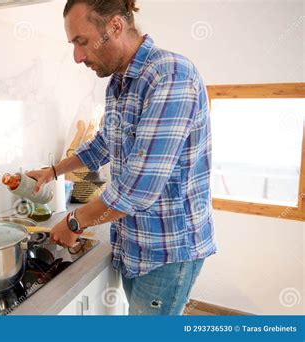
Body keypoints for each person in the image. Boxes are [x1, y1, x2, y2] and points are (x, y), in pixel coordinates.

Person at [27, 0, 217, 315]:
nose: (77, 57)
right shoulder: (118, 83)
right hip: (133, 241)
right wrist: (52, 171)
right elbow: (104, 144)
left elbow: (138, 188)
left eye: (81, 41)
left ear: (115, 26)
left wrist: (74, 221)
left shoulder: (171, 75)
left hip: (167, 250)